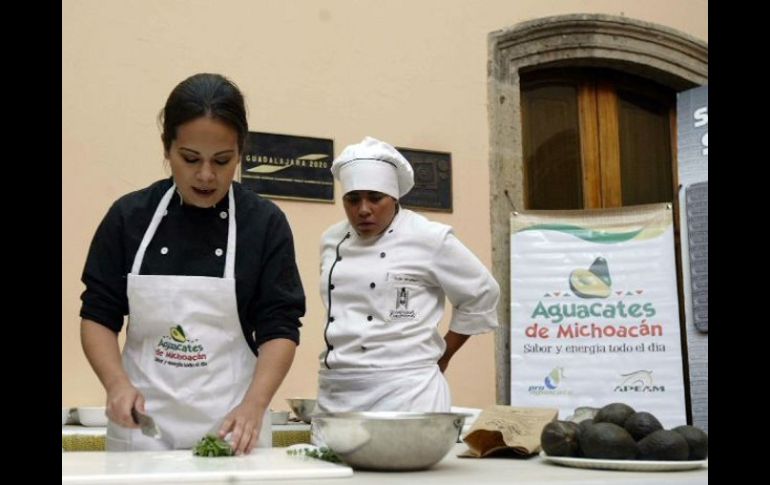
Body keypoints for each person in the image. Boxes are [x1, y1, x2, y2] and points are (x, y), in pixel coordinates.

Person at [79, 73, 305, 454]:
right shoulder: (129, 217)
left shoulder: (263, 223)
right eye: (189, 159)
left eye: (222, 160)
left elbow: (280, 327)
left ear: (241, 152)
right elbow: (99, 315)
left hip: (234, 430)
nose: (205, 175)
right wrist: (116, 384)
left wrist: (254, 405)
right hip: (141, 432)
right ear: (167, 149)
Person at [316, 136, 500, 414]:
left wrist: (443, 354)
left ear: (394, 198)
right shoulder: (332, 239)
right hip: (339, 389)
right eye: (353, 200)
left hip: (407, 391)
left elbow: (483, 292)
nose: (363, 209)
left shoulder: (428, 237)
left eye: (375, 198)